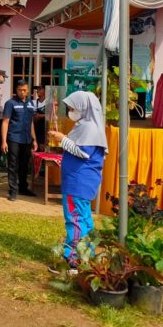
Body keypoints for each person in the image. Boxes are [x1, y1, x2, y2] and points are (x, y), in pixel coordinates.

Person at [48, 91, 107, 269]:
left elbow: (83, 152)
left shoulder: (89, 127)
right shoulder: (88, 125)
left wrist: (62, 139)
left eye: (73, 108)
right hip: (82, 182)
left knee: (75, 220)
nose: (71, 111)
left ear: (83, 107)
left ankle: (73, 259)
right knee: (84, 219)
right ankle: (87, 254)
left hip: (78, 183)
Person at [1, 80, 38, 201]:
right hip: (14, 138)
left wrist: (34, 139)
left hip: (27, 139)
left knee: (24, 164)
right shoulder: (10, 103)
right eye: (20, 90)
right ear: (16, 90)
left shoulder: (31, 103)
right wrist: (3, 141)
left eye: (25, 90)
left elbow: (31, 122)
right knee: (13, 164)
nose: (22, 92)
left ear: (28, 90)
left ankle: (23, 187)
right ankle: (13, 190)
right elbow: (5, 122)